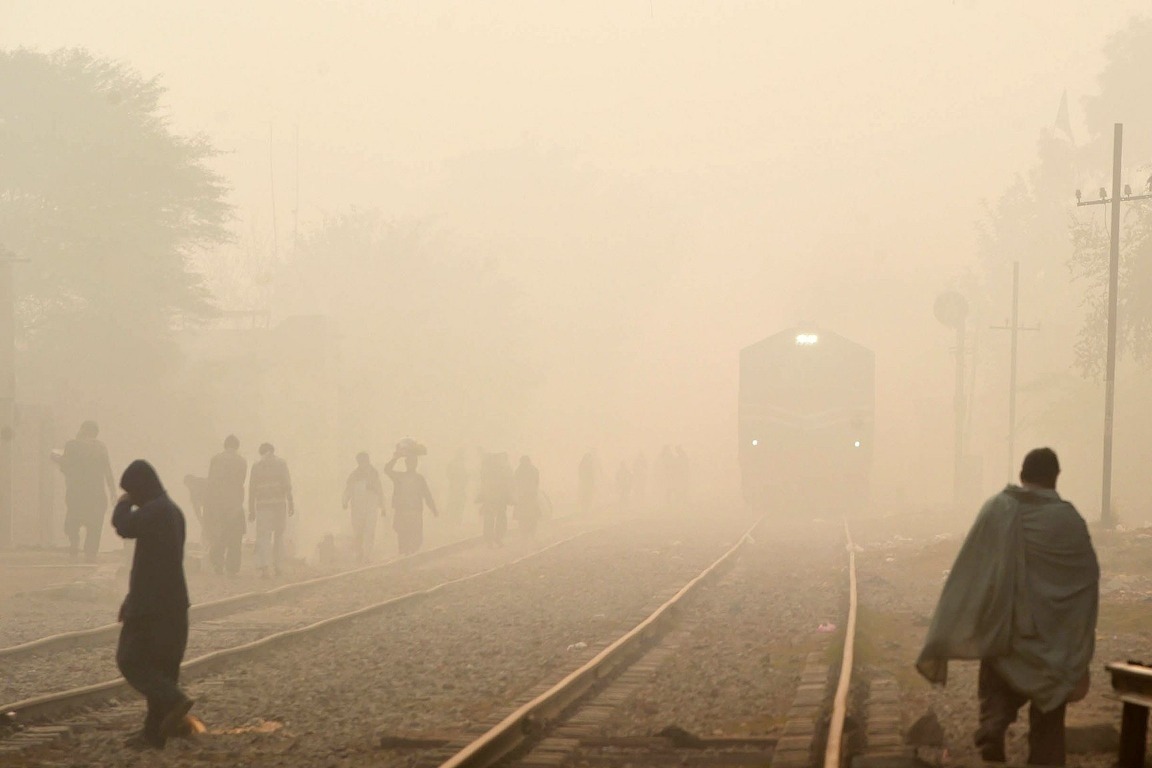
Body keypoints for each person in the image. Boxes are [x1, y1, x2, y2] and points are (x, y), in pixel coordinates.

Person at [915, 448, 1099, 766]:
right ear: (1056, 478)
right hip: (1057, 644)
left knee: (998, 681)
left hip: (1011, 633)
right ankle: (1045, 758)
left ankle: (993, 725)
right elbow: (1087, 580)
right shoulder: (1070, 520)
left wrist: (961, 624)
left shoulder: (1000, 509)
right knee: (1050, 712)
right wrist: (1075, 637)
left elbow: (972, 571)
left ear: (1022, 476)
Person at [111, 460, 193, 750]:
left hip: (150, 606)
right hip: (173, 603)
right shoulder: (173, 512)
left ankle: (174, 700)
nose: (132, 498)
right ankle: (154, 734)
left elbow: (123, 526)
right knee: (163, 668)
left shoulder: (154, 511)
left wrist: (122, 504)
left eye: (132, 492)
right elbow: (155, 562)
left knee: (130, 659)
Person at [51, 420, 116, 561]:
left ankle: (74, 543)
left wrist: (56, 459)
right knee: (95, 525)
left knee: (73, 520)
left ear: (82, 430)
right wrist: (113, 492)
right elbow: (108, 471)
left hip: (77, 492)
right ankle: (90, 555)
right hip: (97, 494)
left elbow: (66, 466)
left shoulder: (72, 445)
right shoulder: (101, 448)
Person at [248, 443, 293, 578]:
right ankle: (278, 567)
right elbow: (287, 485)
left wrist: (251, 509)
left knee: (263, 537)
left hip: (263, 506)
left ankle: (264, 568)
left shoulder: (257, 466)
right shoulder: (281, 464)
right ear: (273, 451)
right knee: (279, 536)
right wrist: (291, 503)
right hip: (279, 505)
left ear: (261, 452)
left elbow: (252, 488)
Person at [383, 442, 437, 555]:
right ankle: (404, 557)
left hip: (415, 511)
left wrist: (433, 509)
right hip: (402, 510)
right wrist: (395, 458)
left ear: (416, 464)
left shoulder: (419, 479)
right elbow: (387, 470)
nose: (412, 464)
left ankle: (409, 555)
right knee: (403, 534)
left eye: (414, 462)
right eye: (410, 462)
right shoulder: (399, 477)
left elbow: (427, 495)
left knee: (416, 538)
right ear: (407, 464)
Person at [207, 435, 247, 576]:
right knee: (235, 537)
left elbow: (210, 482)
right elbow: (241, 481)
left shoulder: (216, 459)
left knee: (219, 535)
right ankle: (232, 568)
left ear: (225, 445)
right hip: (235, 504)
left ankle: (218, 564)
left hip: (218, 504)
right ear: (237, 446)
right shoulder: (242, 461)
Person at [342, 452, 385, 563]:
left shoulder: (374, 475)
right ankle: (359, 553)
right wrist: (345, 501)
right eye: (361, 461)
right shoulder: (354, 475)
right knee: (358, 532)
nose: (363, 464)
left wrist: (382, 506)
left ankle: (367, 555)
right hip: (357, 508)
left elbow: (379, 490)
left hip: (371, 508)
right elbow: (348, 489)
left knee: (370, 532)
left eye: (365, 461)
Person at [477, 452, 514, 547]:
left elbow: (483, 482)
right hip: (501, 497)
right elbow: (509, 482)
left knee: (489, 517)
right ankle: (498, 537)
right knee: (501, 517)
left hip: (490, 497)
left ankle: (489, 539)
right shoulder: (505, 468)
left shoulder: (487, 469)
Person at [512, 455, 541, 538]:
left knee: (522, 515)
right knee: (533, 515)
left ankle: (523, 531)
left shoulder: (518, 471)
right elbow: (537, 482)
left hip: (521, 496)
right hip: (531, 495)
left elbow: (515, 483)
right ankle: (532, 531)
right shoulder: (534, 470)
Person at [445, 448, 469, 525]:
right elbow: (450, 474)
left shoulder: (454, 463)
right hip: (457, 488)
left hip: (457, 488)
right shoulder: (456, 464)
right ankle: (455, 520)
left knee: (456, 504)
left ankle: (454, 520)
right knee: (457, 504)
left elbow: (448, 473)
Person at [577, 450, 597, 516]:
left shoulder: (584, 464)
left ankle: (586, 510)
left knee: (587, 496)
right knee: (586, 496)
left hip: (587, 483)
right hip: (586, 483)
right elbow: (590, 474)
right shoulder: (587, 465)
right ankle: (585, 510)